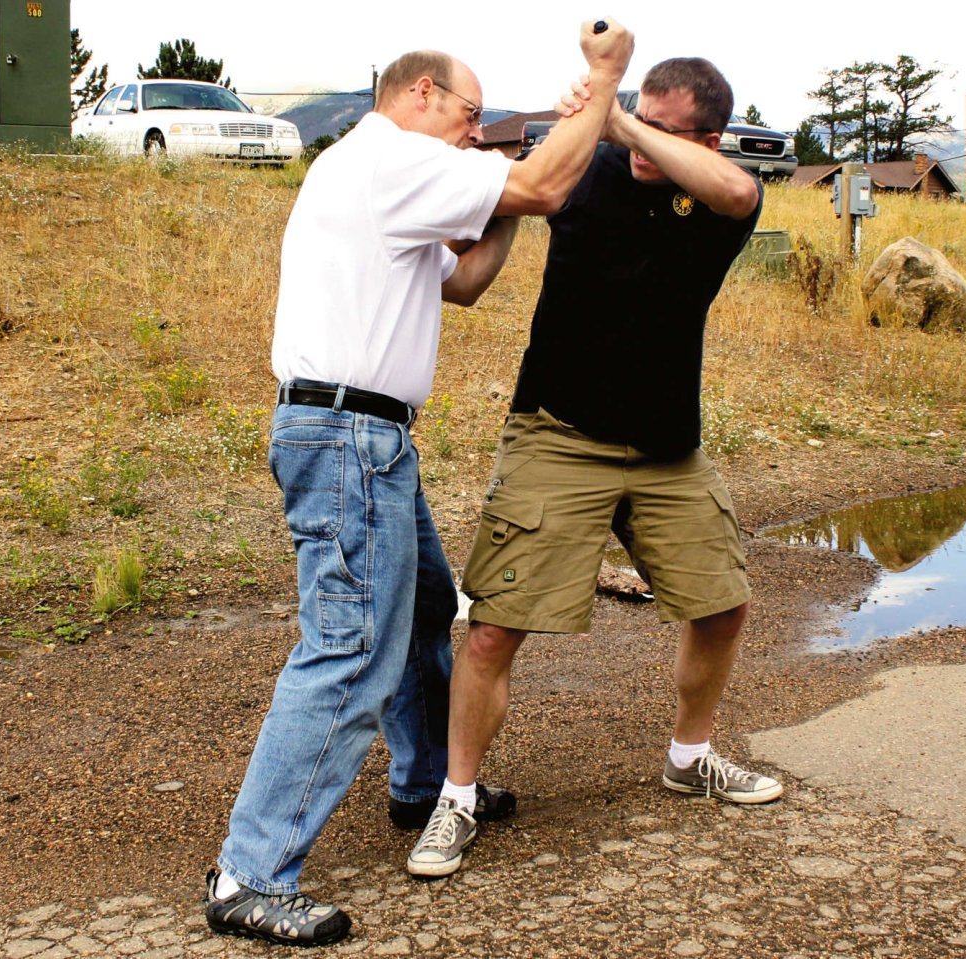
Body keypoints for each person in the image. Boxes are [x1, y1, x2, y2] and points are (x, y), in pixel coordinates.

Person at [204, 23, 635, 948]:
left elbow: (468, 278)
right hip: (348, 433)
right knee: (351, 648)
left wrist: (506, 195)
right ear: (421, 95)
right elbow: (550, 182)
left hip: (367, 437)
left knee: (426, 604)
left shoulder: (384, 177)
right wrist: (602, 82)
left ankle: (422, 783)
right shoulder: (392, 157)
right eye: (469, 116)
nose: (474, 135)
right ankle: (250, 870)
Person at [407, 57, 779, 880]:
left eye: (662, 128)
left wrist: (616, 119)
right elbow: (501, 197)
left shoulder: (722, 192)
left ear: (709, 139)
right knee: (496, 625)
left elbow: (736, 194)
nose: (638, 140)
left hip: (665, 446)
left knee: (721, 604)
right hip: (557, 432)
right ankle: (455, 798)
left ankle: (689, 758)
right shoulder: (589, 165)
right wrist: (590, 125)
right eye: (636, 116)